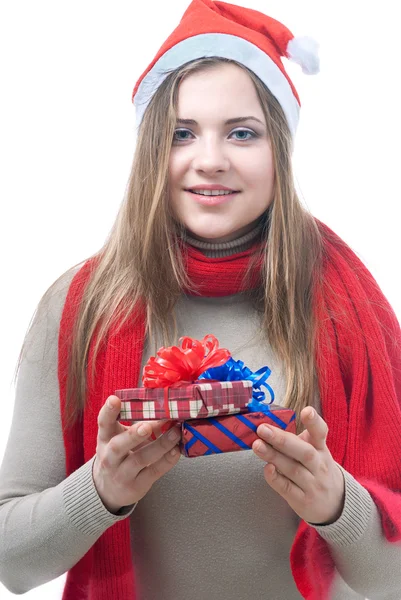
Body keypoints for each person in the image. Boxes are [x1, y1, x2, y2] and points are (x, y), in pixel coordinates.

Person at [1, 0, 401, 598]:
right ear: (150, 153)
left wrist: (338, 505)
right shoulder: (79, 306)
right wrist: (100, 491)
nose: (210, 160)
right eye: (181, 133)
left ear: (280, 151)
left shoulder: (351, 313)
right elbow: (12, 563)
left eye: (243, 133)